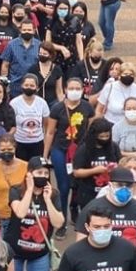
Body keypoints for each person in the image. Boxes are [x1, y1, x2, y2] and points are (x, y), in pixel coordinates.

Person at [7, 157, 65, 271]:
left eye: (46, 173)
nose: (43, 176)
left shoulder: (53, 194)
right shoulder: (16, 190)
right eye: (39, 172)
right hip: (14, 253)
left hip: (39, 254)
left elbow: (58, 222)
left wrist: (48, 201)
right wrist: (30, 190)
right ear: (29, 174)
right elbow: (20, 212)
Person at [75, 168, 136, 270]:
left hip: (131, 268)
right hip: (100, 268)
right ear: (110, 185)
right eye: (119, 184)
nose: (124, 188)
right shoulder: (92, 208)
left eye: (128, 185)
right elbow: (80, 244)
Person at [43, 77, 93, 234]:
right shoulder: (57, 108)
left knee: (78, 184)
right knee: (63, 186)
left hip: (81, 151)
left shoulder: (87, 107)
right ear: (65, 89)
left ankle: (74, 207)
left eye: (78, 88)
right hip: (60, 149)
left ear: (83, 90)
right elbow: (50, 132)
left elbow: (91, 130)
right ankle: (62, 221)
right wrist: (45, 154)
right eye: (71, 88)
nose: (74, 91)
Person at [72, 118, 123, 211]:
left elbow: (121, 164)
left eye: (107, 136)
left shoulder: (114, 147)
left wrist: (114, 168)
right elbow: (77, 172)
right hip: (88, 191)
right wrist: (95, 170)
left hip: (109, 190)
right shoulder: (84, 149)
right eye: (101, 137)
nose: (104, 139)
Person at [9, 74, 51, 162]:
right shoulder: (14, 103)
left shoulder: (42, 103)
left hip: (38, 143)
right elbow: (12, 125)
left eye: (32, 85)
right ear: (21, 86)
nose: (29, 87)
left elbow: (46, 125)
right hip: (19, 143)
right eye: (26, 85)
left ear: (36, 87)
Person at [0, 19, 41, 98]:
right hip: (15, 85)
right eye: (24, 30)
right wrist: (4, 82)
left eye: (29, 30)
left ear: (34, 31)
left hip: (33, 85)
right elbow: (5, 64)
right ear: (20, 30)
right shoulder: (11, 44)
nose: (27, 32)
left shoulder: (39, 45)